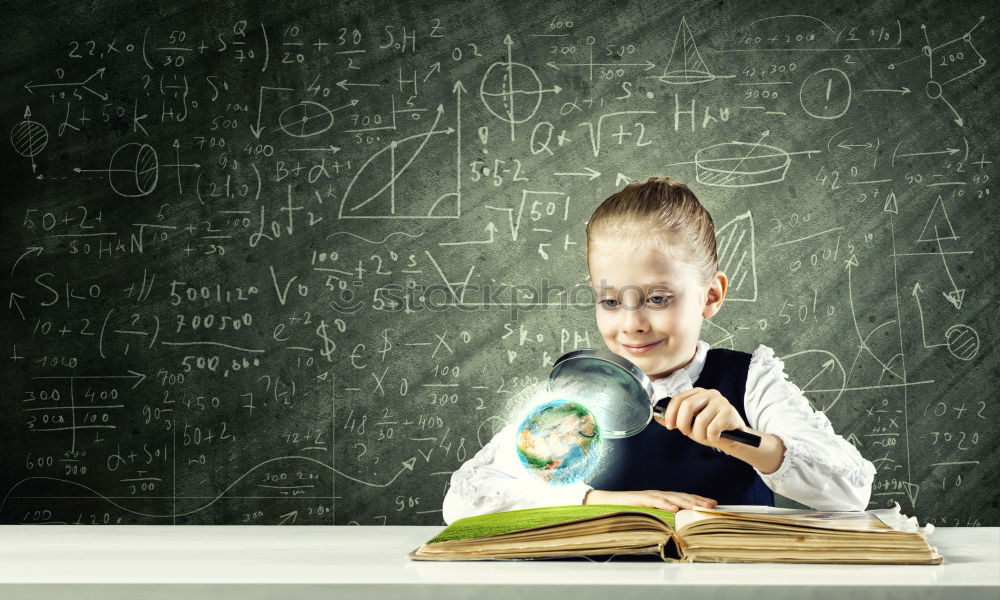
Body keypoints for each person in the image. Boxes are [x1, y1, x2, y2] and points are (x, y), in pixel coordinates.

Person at [442, 176, 876, 525]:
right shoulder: (579, 394)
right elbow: (465, 500)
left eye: (657, 299)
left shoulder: (752, 380)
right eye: (611, 302)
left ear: (710, 295)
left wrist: (744, 438)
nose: (631, 323)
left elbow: (850, 491)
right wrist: (602, 501)